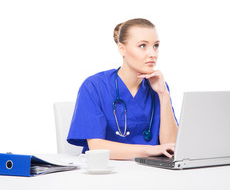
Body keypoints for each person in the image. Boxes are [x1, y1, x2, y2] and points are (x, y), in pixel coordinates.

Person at [67, 18, 178, 160]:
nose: (153, 54)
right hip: (105, 173)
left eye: (155, 46)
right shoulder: (94, 86)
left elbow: (171, 146)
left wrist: (164, 94)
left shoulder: (158, 88)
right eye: (143, 46)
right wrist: (150, 150)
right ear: (122, 49)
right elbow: (96, 147)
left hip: (150, 172)